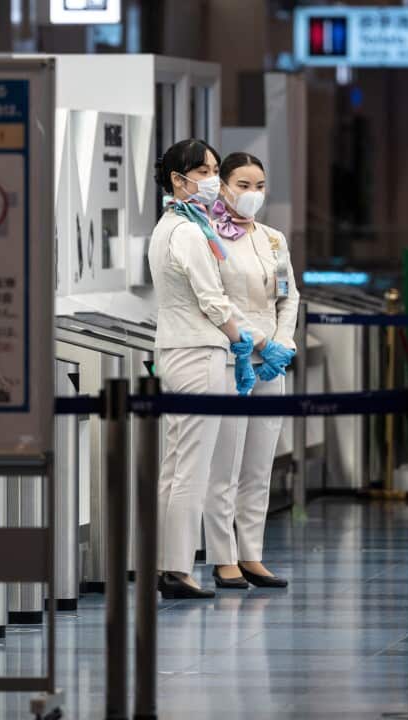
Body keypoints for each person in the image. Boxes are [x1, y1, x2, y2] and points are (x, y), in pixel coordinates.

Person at [149, 139, 265, 599]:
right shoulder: (187, 232)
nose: (212, 179)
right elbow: (213, 301)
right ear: (178, 180)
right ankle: (176, 569)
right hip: (197, 352)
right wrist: (253, 340)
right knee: (190, 466)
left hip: (186, 350)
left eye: (215, 169)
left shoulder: (181, 226)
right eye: (203, 171)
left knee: (178, 464)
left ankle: (169, 563)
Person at [204, 152, 299, 590]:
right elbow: (217, 301)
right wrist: (254, 341)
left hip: (270, 362)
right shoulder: (208, 236)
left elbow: (288, 296)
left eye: (259, 185)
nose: (252, 194)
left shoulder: (273, 239)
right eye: (243, 184)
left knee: (260, 465)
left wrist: (282, 343)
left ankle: (252, 554)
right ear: (223, 185)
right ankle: (223, 559)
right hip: (230, 358)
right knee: (225, 466)